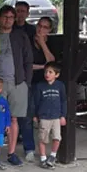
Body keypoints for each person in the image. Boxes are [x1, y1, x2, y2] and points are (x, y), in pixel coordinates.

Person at [0, 5, 33, 167]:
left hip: (18, 83)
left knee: (14, 119)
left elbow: (28, 60)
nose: (8, 20)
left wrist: (26, 82)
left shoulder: (21, 36)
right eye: (5, 17)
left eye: (11, 17)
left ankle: (11, 153)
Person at [21, 16, 57, 163]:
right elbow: (26, 64)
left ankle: (48, 149)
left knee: (46, 117)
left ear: (49, 30)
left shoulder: (51, 43)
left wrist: (42, 43)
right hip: (30, 82)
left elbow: (53, 62)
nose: (41, 30)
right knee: (28, 116)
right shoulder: (28, 41)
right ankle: (29, 148)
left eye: (45, 27)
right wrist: (44, 67)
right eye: (39, 26)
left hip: (45, 84)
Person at [32, 63, 67, 170]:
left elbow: (63, 101)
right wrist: (35, 115)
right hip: (44, 116)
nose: (47, 74)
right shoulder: (40, 86)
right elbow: (35, 102)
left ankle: (52, 156)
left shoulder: (60, 86)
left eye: (50, 72)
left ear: (56, 75)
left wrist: (63, 116)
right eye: (46, 72)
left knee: (57, 137)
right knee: (43, 138)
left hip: (56, 116)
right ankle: (43, 158)